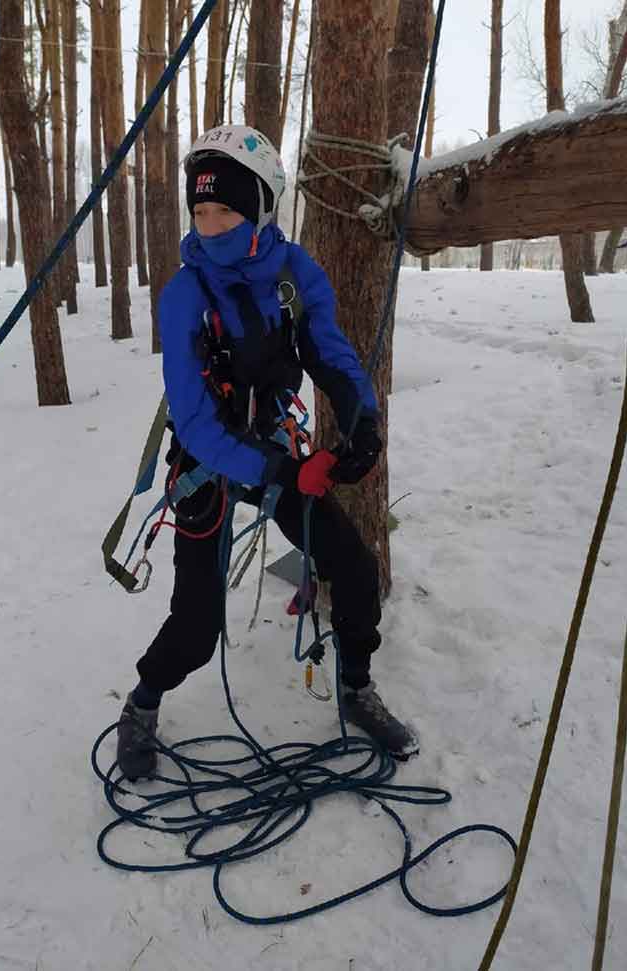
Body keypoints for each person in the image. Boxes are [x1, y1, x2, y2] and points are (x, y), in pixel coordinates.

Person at [117, 125, 418, 780]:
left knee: (356, 570)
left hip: (280, 451)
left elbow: (328, 351)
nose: (210, 223)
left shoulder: (292, 275)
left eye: (225, 208)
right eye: (200, 210)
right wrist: (284, 469)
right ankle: (141, 704)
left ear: (258, 207)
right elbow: (194, 422)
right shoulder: (185, 296)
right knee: (196, 626)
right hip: (213, 463)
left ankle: (357, 685)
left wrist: (364, 418)